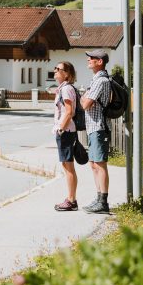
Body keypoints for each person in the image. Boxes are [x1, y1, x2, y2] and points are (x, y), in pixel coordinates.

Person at [80, 48, 111, 213]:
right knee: (93, 164)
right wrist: (85, 98)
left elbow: (84, 104)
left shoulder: (101, 81)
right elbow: (83, 100)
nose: (88, 60)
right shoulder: (95, 80)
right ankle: (98, 198)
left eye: (91, 58)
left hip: (99, 127)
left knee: (100, 164)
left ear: (100, 62)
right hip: (93, 127)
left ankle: (103, 202)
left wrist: (85, 97)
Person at [51, 61, 79, 211]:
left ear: (67, 74)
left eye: (59, 69)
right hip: (65, 131)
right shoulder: (63, 88)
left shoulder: (66, 89)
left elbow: (69, 111)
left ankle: (71, 200)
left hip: (66, 131)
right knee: (66, 165)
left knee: (68, 167)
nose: (55, 71)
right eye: (55, 68)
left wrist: (61, 129)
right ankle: (70, 199)